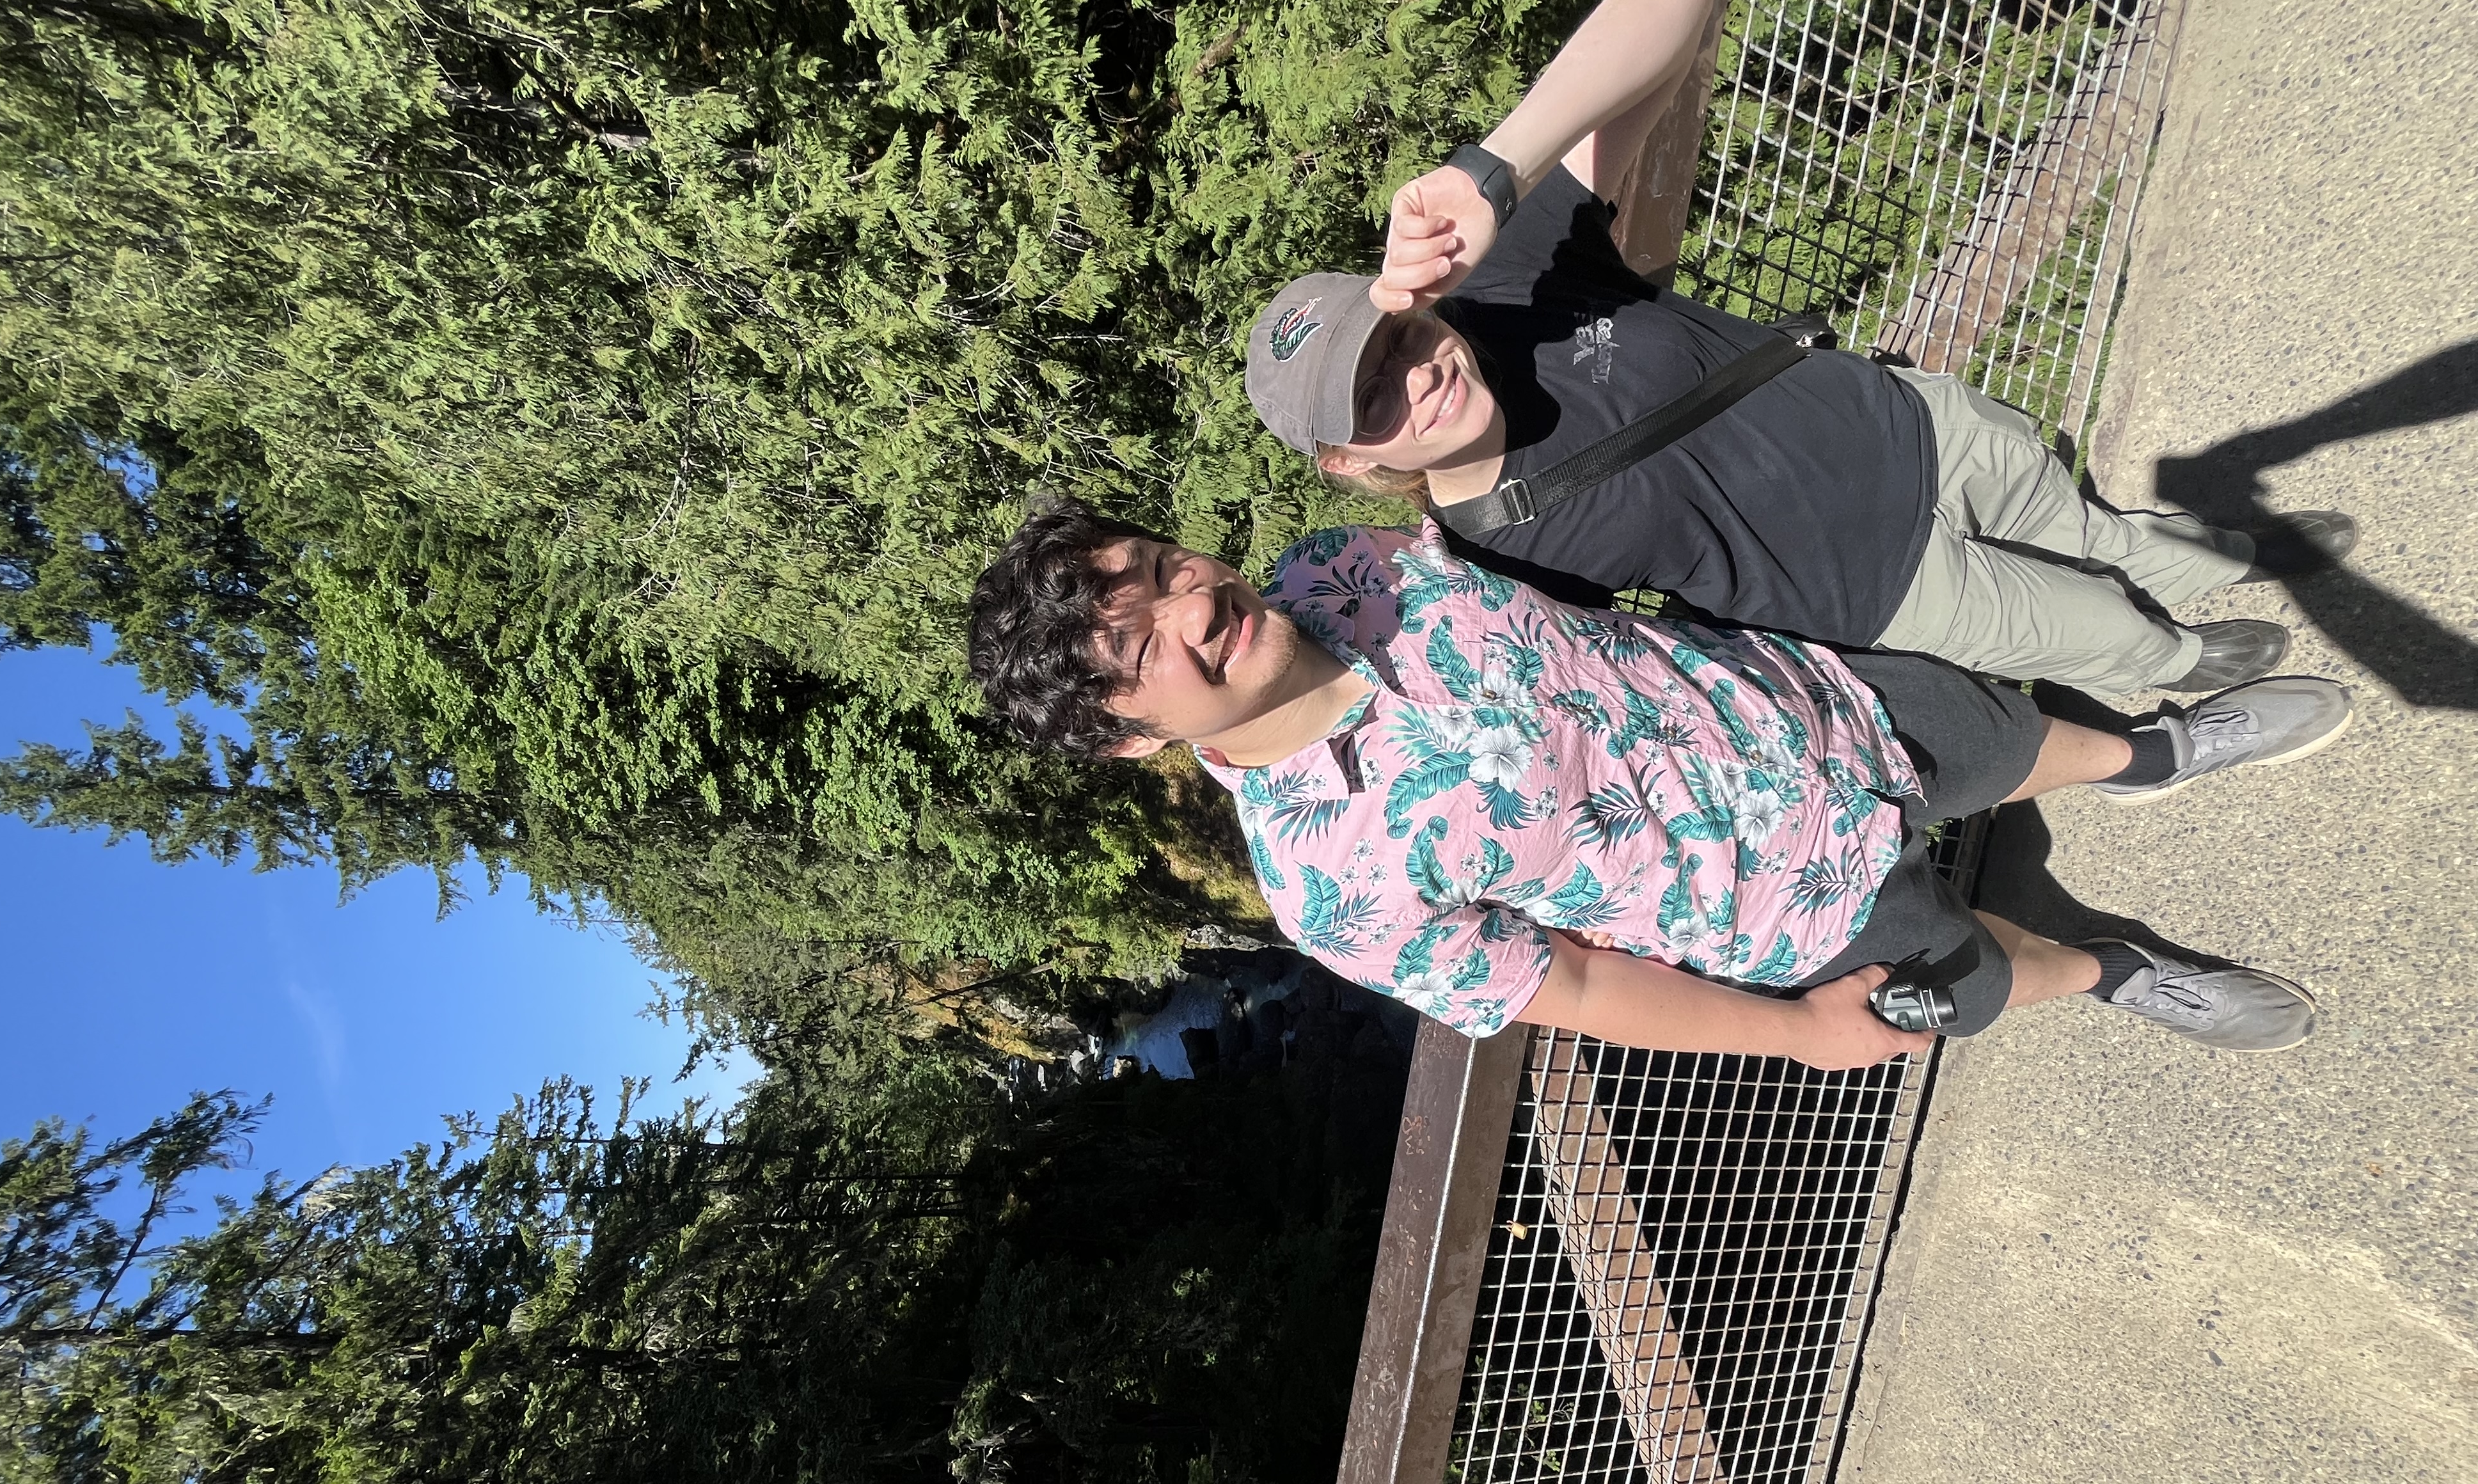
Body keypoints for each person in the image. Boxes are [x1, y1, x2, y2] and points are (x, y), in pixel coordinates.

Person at [1240, 0, 2356, 701]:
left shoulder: (1516, 283)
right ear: (1349, 463)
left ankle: (2217, 559)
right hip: (1892, 585)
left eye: (1394, 336)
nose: (1414, 375)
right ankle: (2179, 662)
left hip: (1918, 429)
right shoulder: (1493, 550)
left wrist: (1494, 169)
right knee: (2106, 633)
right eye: (1370, 400)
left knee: (2095, 529)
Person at [965, 504, 2355, 1065]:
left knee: (2004, 737)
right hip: (1790, 908)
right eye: (1142, 647)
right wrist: (1797, 1037)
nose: (1192, 607)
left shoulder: (1350, 562)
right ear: (1129, 737)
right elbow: (1568, 986)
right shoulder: (1328, 891)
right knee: (1977, 983)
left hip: (1814, 704)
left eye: (1161, 569)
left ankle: (2152, 754)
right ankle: (2116, 971)